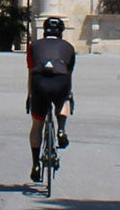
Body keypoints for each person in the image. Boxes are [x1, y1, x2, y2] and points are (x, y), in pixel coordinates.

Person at [26, 16, 75, 183]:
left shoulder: (34, 46)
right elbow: (68, 72)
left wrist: (30, 95)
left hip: (39, 83)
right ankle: (61, 129)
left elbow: (31, 71)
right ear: (61, 32)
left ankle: (35, 165)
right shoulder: (68, 47)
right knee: (63, 102)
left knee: (37, 125)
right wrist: (69, 93)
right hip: (60, 83)